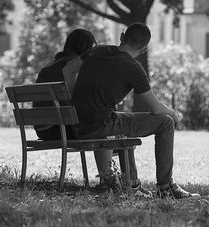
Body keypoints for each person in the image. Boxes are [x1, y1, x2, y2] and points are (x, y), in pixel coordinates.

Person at [72, 23, 200, 199]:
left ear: (122, 36)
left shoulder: (98, 50)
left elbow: (71, 69)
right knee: (166, 123)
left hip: (78, 124)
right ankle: (165, 186)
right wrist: (172, 112)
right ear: (144, 49)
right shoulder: (133, 68)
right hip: (99, 125)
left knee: (124, 124)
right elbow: (155, 108)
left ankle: (131, 184)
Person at [33, 28, 115, 186]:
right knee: (105, 129)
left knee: (106, 131)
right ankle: (111, 180)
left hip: (43, 130)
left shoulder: (49, 68)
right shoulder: (76, 66)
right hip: (61, 128)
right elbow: (80, 102)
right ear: (88, 48)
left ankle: (111, 178)